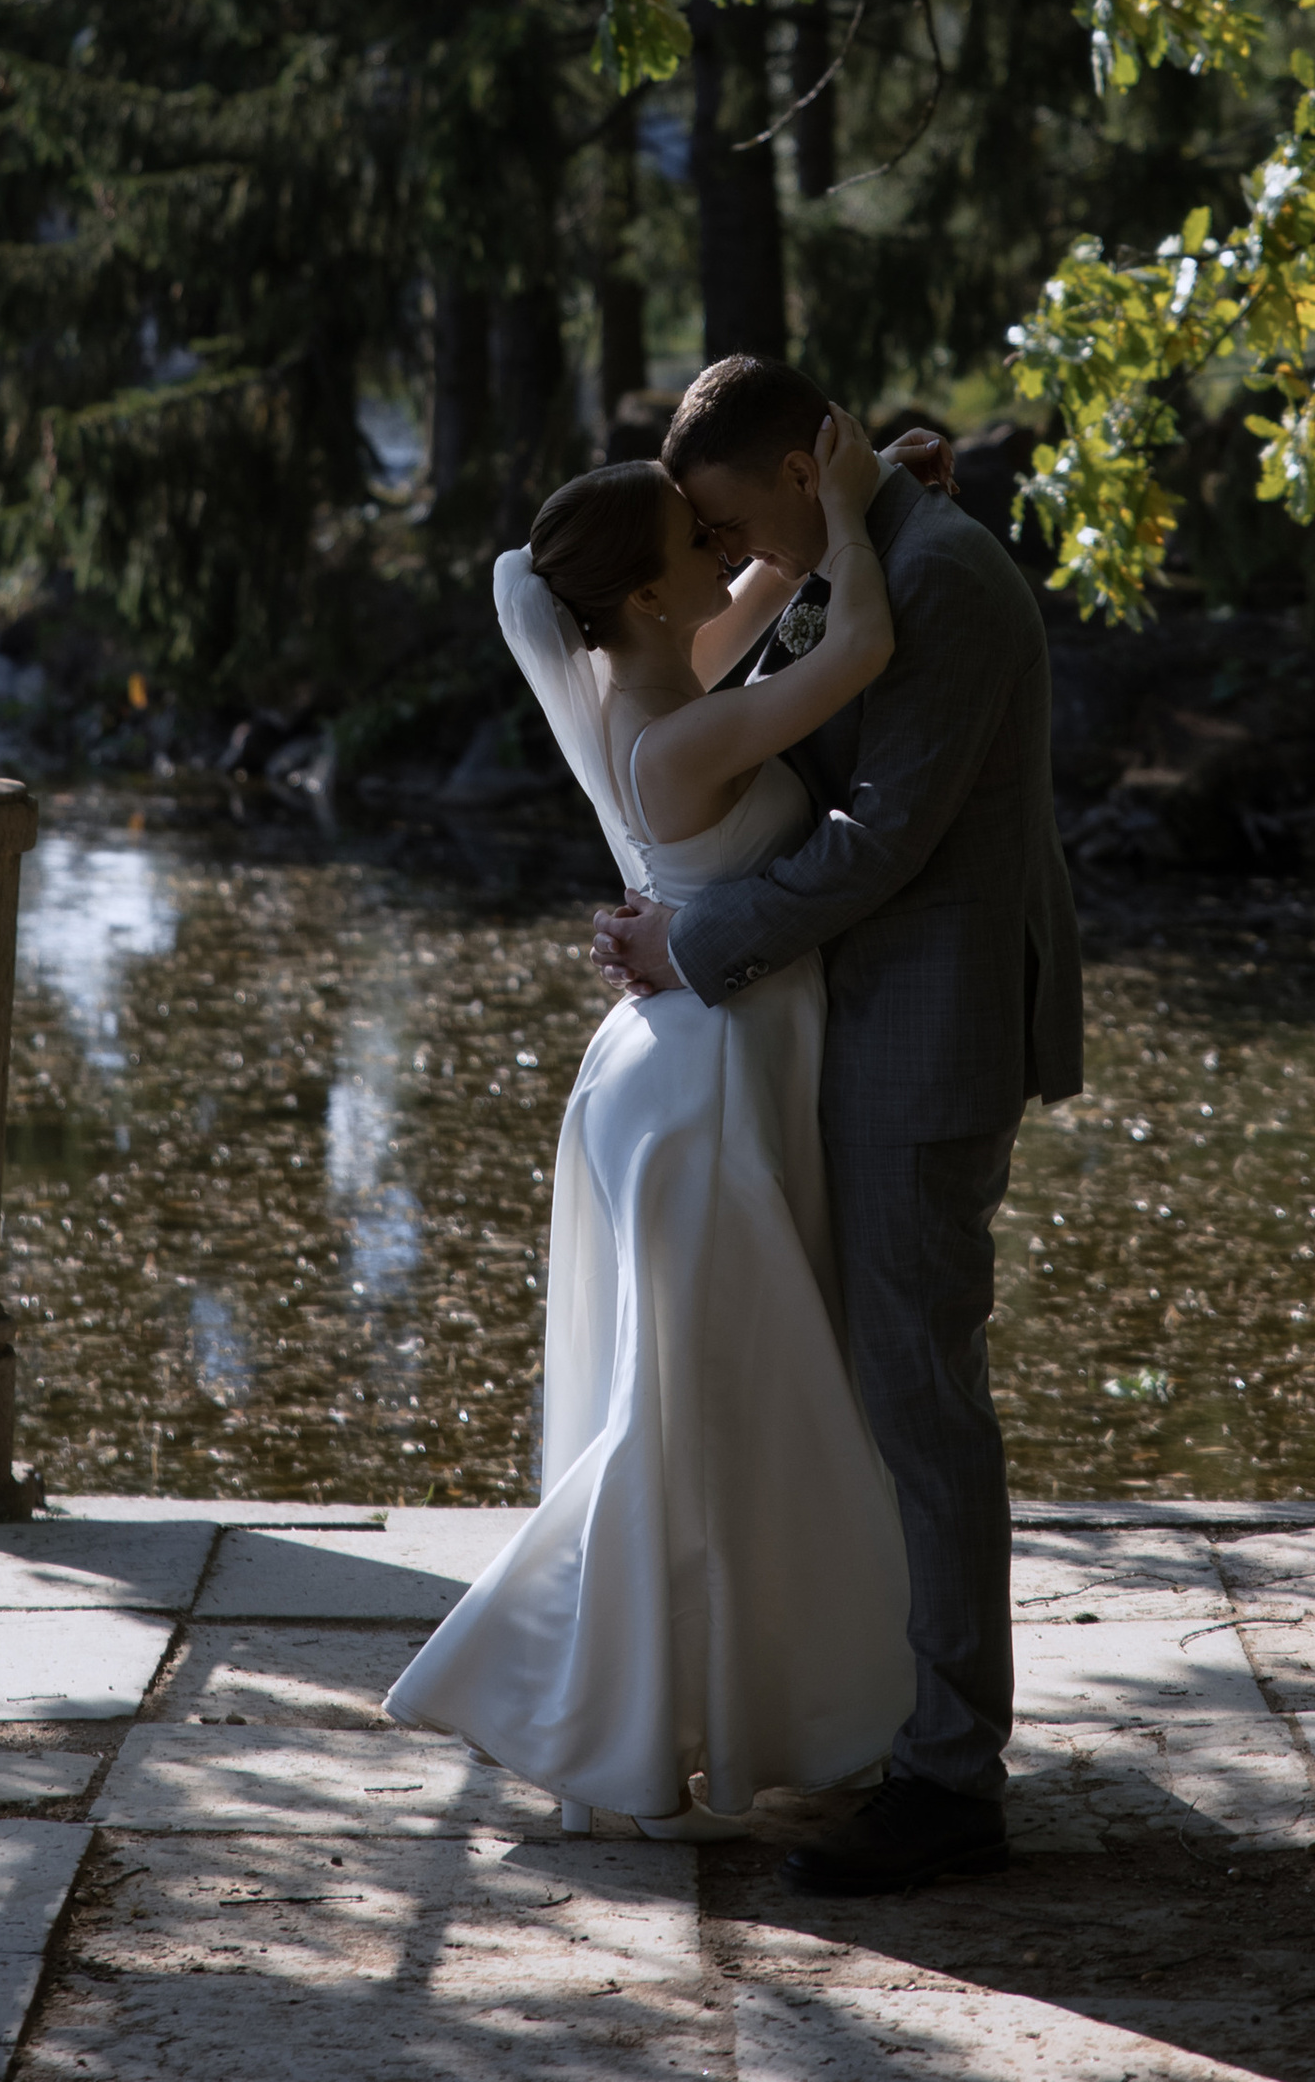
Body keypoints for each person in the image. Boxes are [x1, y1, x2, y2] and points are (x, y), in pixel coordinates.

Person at [385, 408, 918, 1836]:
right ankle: (536, 1678)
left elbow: (771, 602)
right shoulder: (671, 734)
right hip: (707, 1089)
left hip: (692, 1058)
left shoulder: (665, 666)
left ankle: (692, 1713)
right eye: (701, 538)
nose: (728, 550)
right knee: (700, 1414)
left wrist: (856, 500)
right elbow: (854, 648)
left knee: (725, 1411)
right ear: (638, 590)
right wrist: (854, 519)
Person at [593, 353, 1081, 1898]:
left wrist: (697, 939)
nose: (750, 566)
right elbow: (759, 715)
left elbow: (885, 839)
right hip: (850, 1034)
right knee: (875, 1394)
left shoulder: (948, 587)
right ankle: (893, 1716)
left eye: (754, 526)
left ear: (805, 477)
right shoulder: (866, 552)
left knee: (923, 1399)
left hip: (924, 1046)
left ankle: (953, 1782)